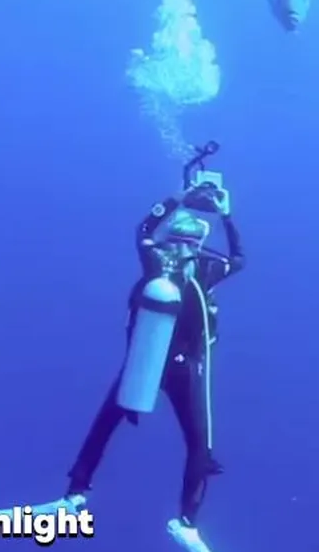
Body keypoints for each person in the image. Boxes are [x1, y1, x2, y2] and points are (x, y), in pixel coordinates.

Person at [38, 181, 245, 530]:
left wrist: (179, 198)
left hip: (143, 362)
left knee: (103, 425)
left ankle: (75, 494)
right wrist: (226, 214)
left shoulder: (155, 259)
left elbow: (145, 228)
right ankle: (187, 519)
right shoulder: (207, 269)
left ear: (171, 238)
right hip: (183, 369)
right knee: (199, 444)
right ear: (198, 244)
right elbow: (239, 258)